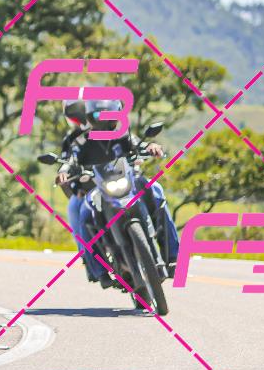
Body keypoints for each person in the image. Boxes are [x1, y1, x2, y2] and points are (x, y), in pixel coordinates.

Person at [55, 99, 179, 287]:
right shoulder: (81, 141)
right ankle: (99, 270)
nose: (106, 120)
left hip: (129, 183)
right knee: (84, 215)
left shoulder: (123, 135)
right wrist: (64, 171)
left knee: (156, 191)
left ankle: (173, 256)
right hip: (98, 189)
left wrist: (151, 147)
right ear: (90, 117)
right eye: (100, 115)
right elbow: (71, 160)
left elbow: (138, 144)